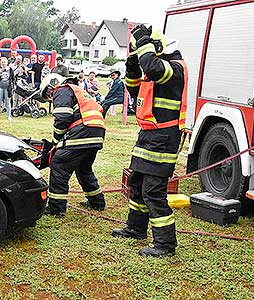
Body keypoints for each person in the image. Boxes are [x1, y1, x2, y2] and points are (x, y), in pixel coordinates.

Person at [111, 24, 187, 258]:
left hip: (164, 138)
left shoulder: (174, 68)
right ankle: (135, 228)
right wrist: (132, 63)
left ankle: (165, 245)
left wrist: (143, 41)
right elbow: (134, 90)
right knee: (137, 184)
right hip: (149, 135)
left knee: (153, 191)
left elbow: (153, 68)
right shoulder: (155, 69)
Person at [40, 74, 106, 217]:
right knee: (83, 168)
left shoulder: (62, 90)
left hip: (84, 132)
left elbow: (63, 118)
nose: (50, 98)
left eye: (47, 94)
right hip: (96, 132)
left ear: (52, 85)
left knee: (59, 164)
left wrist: (55, 141)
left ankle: (56, 208)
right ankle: (97, 202)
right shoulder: (78, 90)